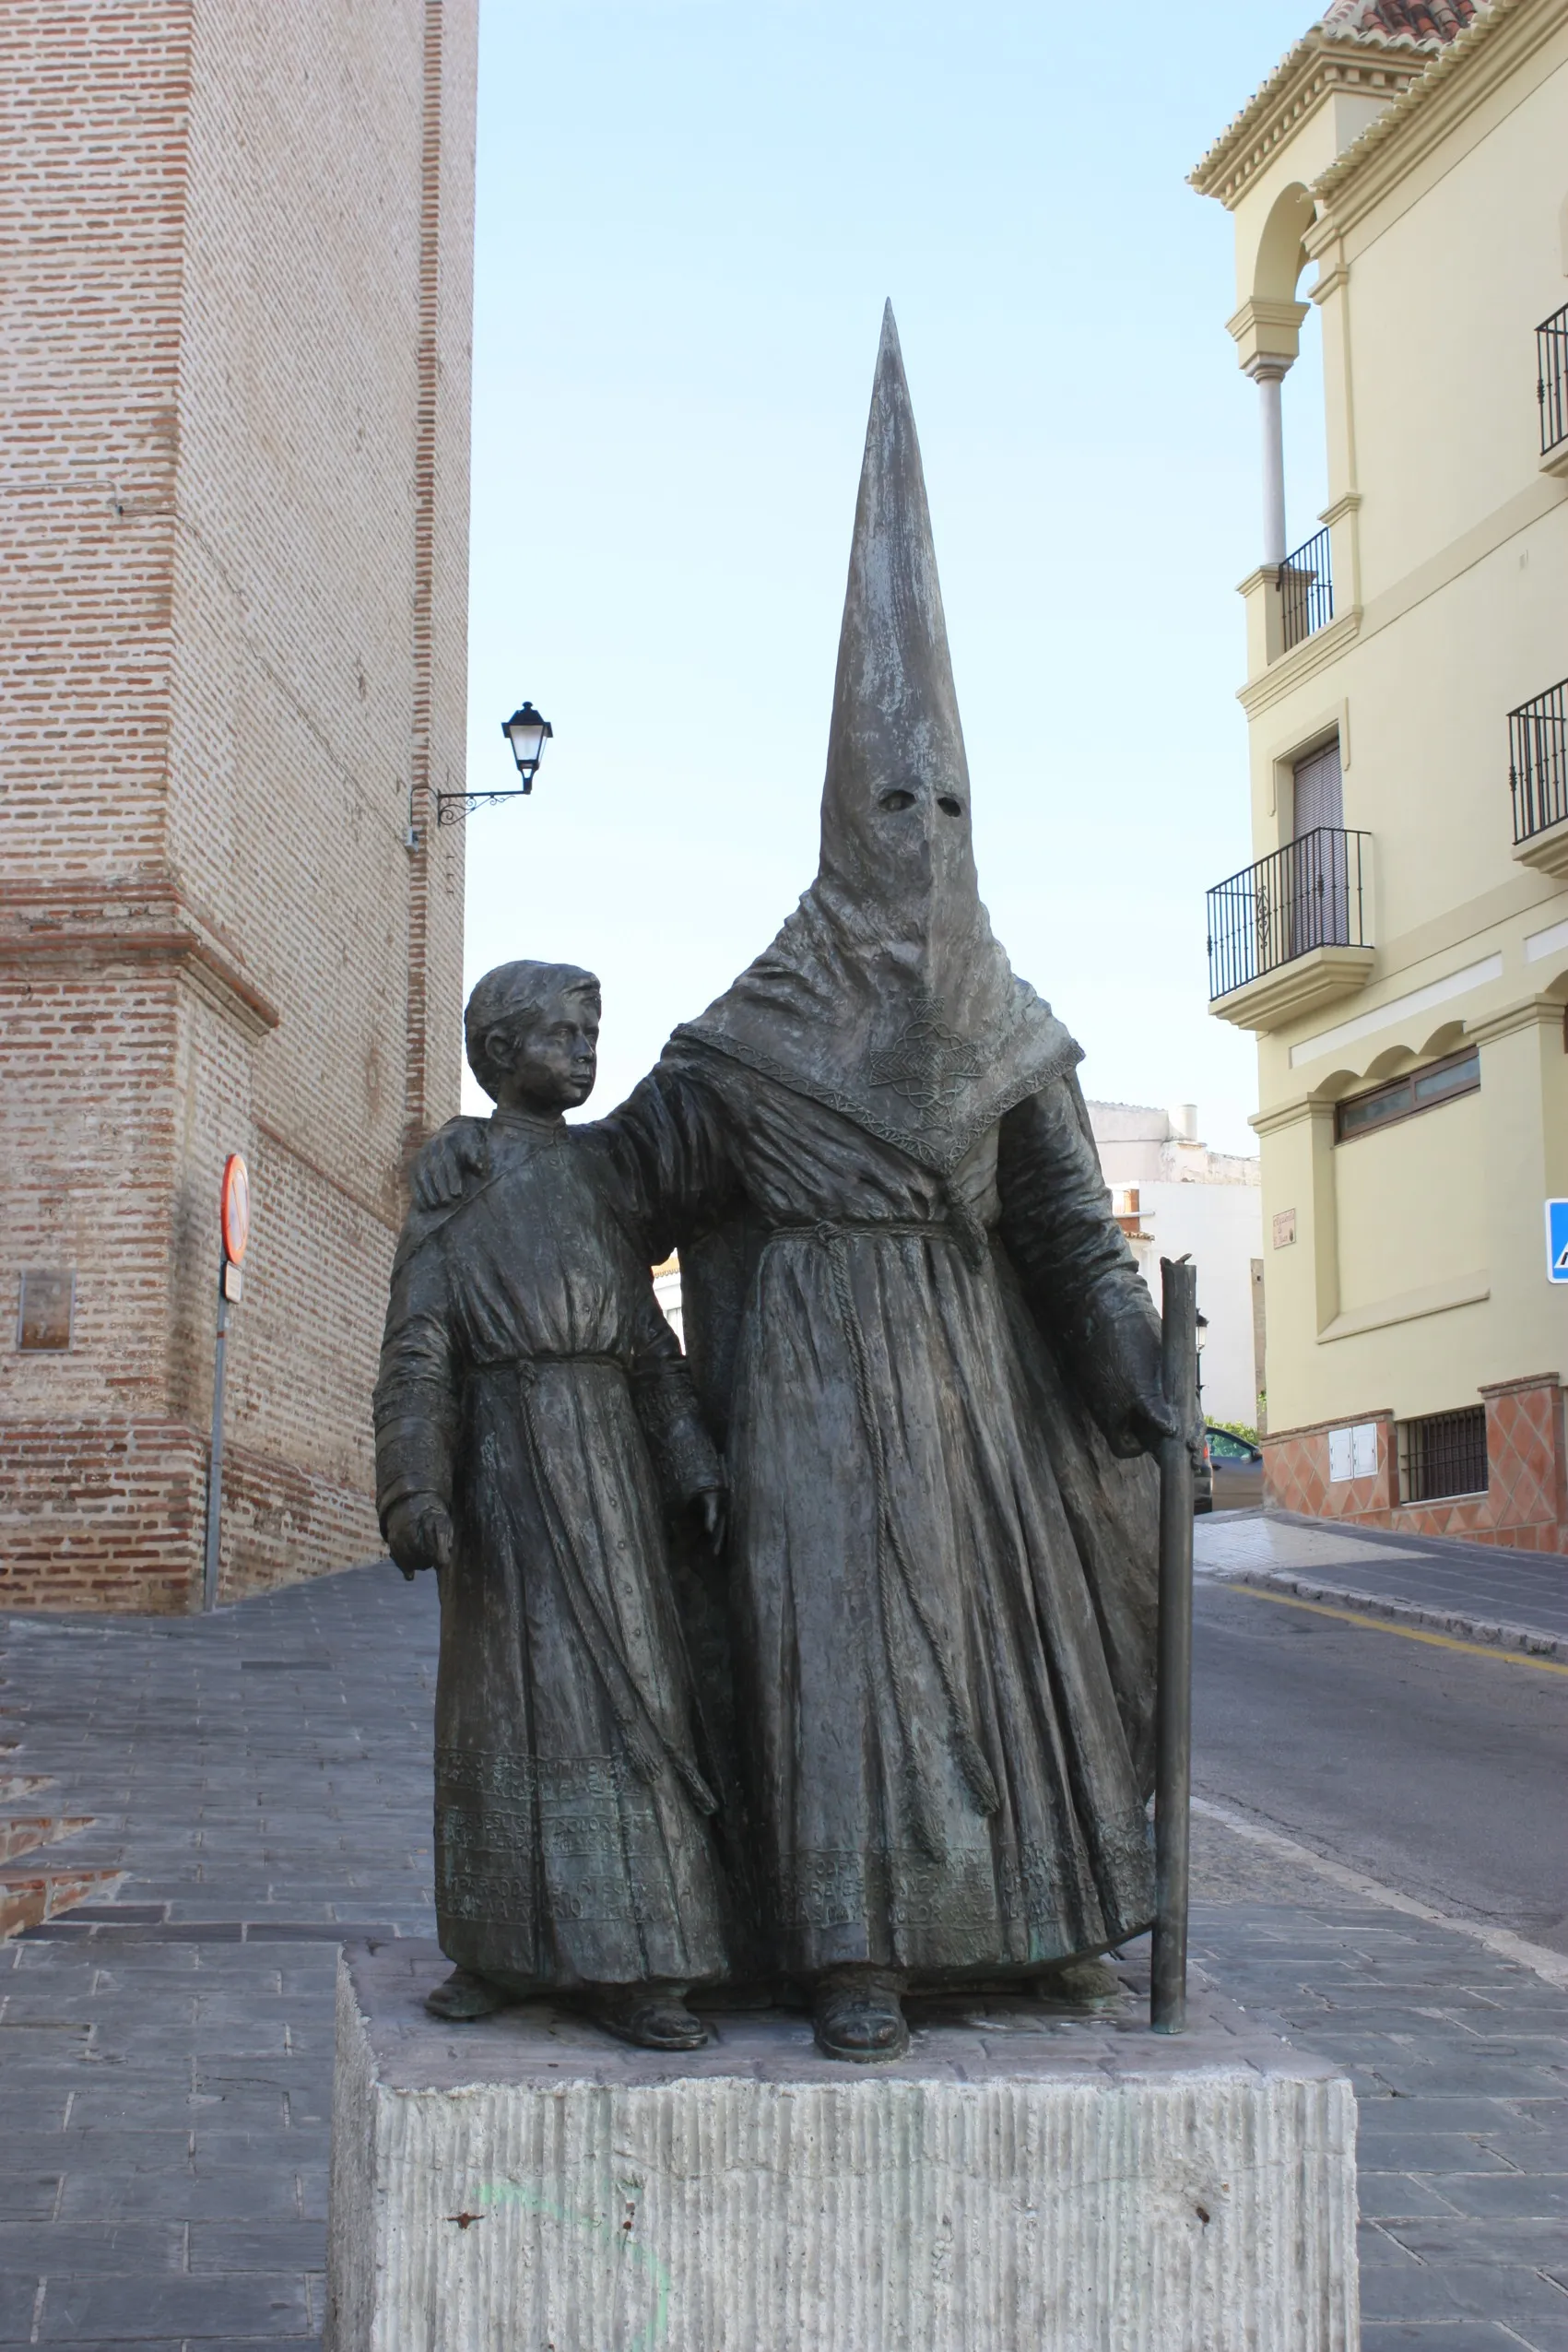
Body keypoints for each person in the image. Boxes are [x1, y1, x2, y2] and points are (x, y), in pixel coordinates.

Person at [417, 309, 1185, 2063]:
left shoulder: (1013, 1026)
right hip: (809, 1406)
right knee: (838, 1668)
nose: (921, 825)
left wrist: (1137, 1390)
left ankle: (1028, 1927)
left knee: (1002, 1667)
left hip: (974, 1413)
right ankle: (849, 1951)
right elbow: (615, 1197)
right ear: (846, 809)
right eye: (892, 793)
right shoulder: (745, 1039)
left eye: (946, 798)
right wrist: (493, 1158)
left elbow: (1066, 1232)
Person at [375, 961, 729, 2049]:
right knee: (503, 1709)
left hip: (607, 1472)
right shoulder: (458, 1183)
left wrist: (690, 1460)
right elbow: (420, 1350)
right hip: (502, 1472)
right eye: (561, 1034)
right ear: (494, 1053)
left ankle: (644, 1961)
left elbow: (646, 1341)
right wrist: (416, 1486)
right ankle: (500, 1947)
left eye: (591, 1032)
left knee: (632, 1706)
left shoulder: (595, 1181)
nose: (583, 1050)